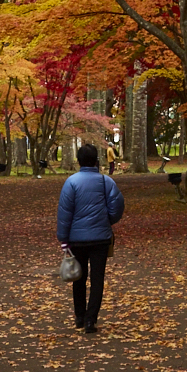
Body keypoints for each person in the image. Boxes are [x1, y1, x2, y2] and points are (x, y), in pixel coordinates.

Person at [57, 143, 125, 335]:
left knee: (78, 277)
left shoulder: (71, 183)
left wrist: (63, 238)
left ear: (78, 161)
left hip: (77, 239)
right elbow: (117, 206)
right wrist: (107, 221)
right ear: (96, 160)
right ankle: (90, 320)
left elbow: (65, 213)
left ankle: (79, 316)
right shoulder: (106, 182)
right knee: (97, 279)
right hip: (101, 238)